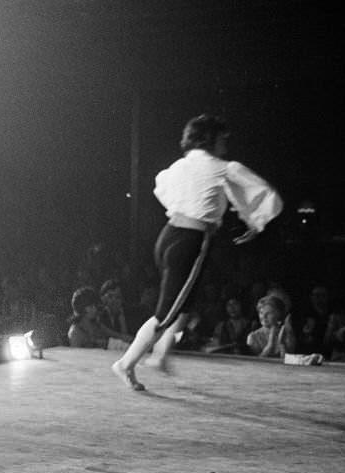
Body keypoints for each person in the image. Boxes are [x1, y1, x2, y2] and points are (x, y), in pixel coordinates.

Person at [111, 114, 282, 390]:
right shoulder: (224, 167)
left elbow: (161, 184)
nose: (226, 142)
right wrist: (256, 222)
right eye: (222, 137)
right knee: (165, 315)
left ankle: (161, 356)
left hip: (170, 235)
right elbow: (264, 194)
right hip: (191, 242)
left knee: (185, 307)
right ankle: (126, 363)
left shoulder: (180, 166)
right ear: (210, 139)